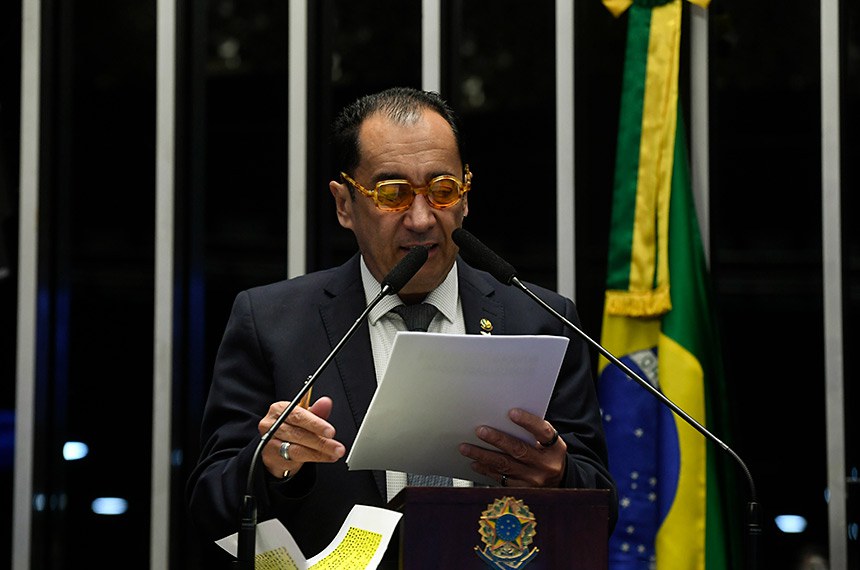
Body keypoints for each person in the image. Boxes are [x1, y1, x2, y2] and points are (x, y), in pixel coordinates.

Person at [186, 87, 617, 563]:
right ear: (344, 204)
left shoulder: (541, 320)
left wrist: (558, 477)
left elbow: (602, 505)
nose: (421, 218)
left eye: (443, 190)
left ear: (466, 197)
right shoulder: (271, 322)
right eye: (392, 194)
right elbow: (210, 506)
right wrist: (270, 463)